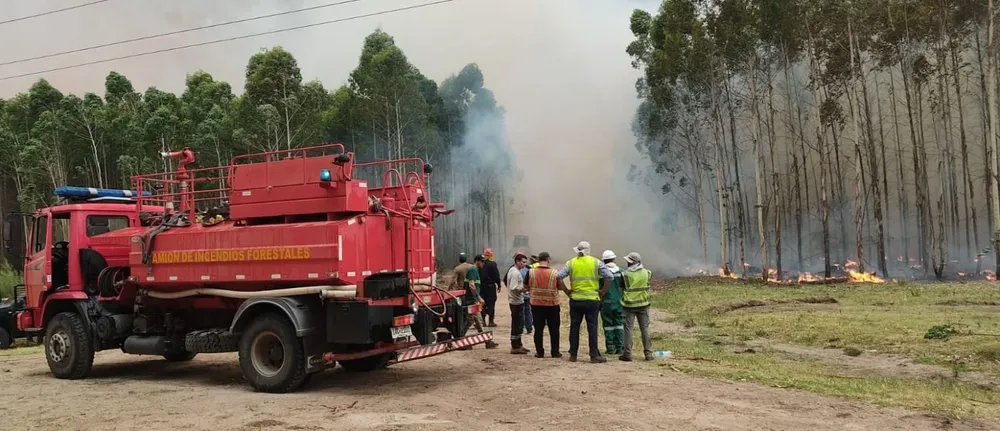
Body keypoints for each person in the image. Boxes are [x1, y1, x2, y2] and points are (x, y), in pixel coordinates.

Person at [556, 241, 613, 363]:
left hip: (576, 300)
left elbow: (559, 276)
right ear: (589, 250)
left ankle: (573, 355)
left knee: (574, 327)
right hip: (592, 301)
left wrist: (566, 290)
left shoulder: (571, 263)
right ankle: (594, 356)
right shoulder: (596, 262)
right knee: (592, 328)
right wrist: (603, 291)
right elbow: (609, 277)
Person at [524, 252, 566, 358]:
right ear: (548, 260)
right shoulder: (554, 273)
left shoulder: (531, 272)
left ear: (538, 260)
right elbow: (560, 287)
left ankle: (540, 352)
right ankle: (555, 352)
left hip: (536, 305)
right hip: (552, 305)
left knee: (538, 330)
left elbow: (525, 287)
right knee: (554, 330)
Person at [620, 252, 654, 362]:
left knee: (628, 329)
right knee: (644, 329)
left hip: (629, 305)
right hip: (644, 304)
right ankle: (648, 354)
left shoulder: (625, 274)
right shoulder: (647, 273)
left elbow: (622, 288)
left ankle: (627, 354)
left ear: (630, 262)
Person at [462, 254, 499, 350]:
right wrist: (479, 297)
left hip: (473, 300)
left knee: (478, 321)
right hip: (472, 300)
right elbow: (472, 286)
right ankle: (459, 338)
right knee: (470, 321)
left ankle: (488, 342)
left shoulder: (475, 270)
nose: (483, 263)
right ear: (477, 261)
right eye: (482, 261)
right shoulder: (473, 270)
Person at [599, 250, 625, 356]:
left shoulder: (601, 273)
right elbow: (624, 286)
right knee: (619, 324)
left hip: (606, 302)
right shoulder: (621, 271)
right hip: (619, 302)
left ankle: (610, 348)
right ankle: (620, 348)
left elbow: (599, 287)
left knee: (608, 325)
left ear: (604, 261)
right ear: (614, 259)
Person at [506, 253, 530, 354]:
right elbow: (513, 287)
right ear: (517, 261)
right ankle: (515, 346)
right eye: (523, 262)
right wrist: (523, 289)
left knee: (518, 324)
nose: (524, 264)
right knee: (517, 324)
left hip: (515, 300)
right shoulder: (515, 273)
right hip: (516, 302)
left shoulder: (512, 270)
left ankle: (519, 344)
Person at [480, 248, 502, 327]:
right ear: (491, 255)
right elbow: (497, 276)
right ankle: (491, 321)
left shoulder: (481, 264)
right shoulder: (493, 264)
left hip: (482, 287)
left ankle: (482, 321)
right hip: (491, 287)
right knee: (491, 303)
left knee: (482, 303)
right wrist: (499, 285)